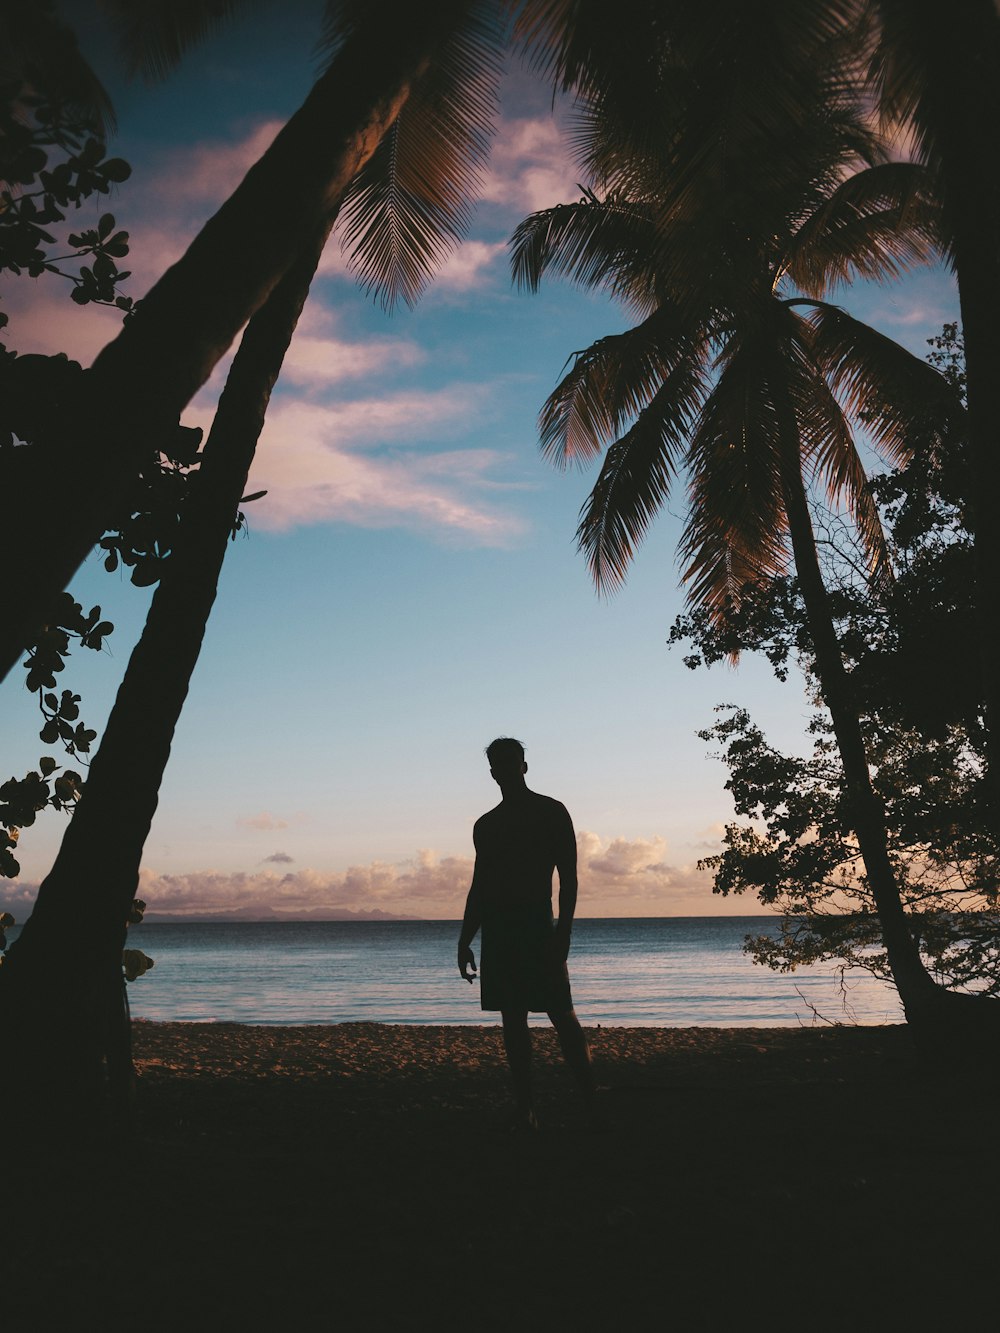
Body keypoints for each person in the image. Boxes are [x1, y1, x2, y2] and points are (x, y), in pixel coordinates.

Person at [457, 737, 596, 1129]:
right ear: (492, 773)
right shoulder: (487, 825)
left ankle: (589, 1103)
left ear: (524, 766)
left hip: (538, 926)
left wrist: (563, 932)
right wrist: (465, 939)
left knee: (562, 1016)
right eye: (498, 764)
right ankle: (526, 1108)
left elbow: (568, 878)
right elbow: (480, 886)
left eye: (511, 762)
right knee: (513, 1021)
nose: (505, 769)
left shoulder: (551, 812)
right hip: (500, 932)